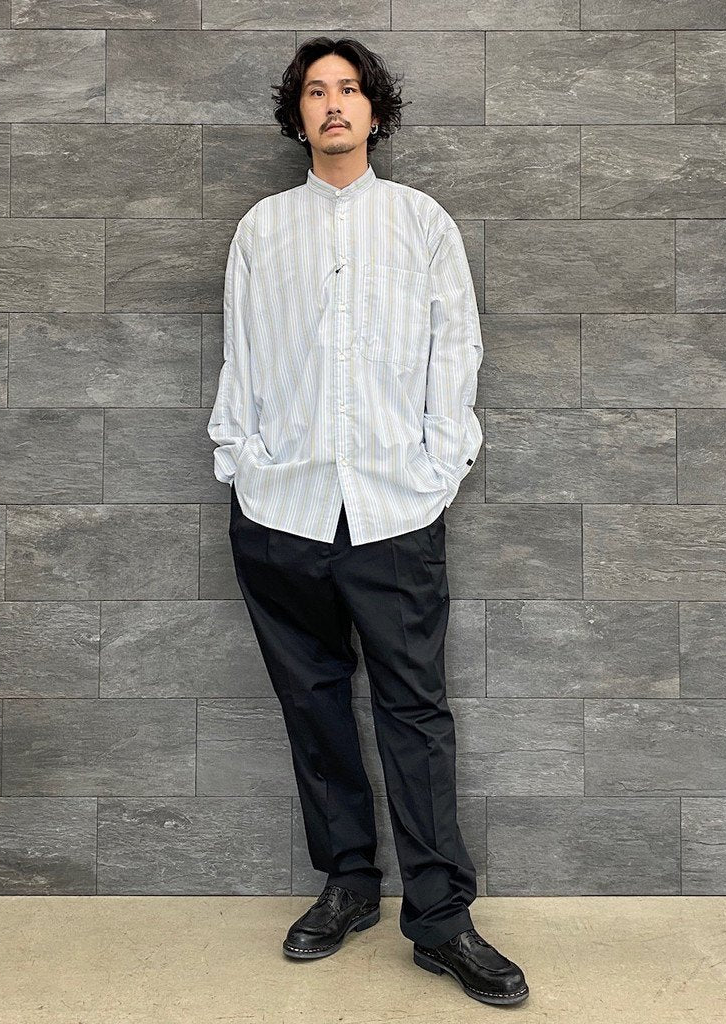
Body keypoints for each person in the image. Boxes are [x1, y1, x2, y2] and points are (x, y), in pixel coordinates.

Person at [207, 36, 529, 1008]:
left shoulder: (420, 222)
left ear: (375, 112)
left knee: (415, 714)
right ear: (298, 115)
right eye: (316, 91)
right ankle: (347, 883)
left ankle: (440, 919)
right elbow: (240, 355)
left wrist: (436, 471)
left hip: (394, 510)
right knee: (313, 707)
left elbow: (456, 352)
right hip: (284, 509)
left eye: (349, 89)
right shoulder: (263, 229)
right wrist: (242, 465)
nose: (334, 104)